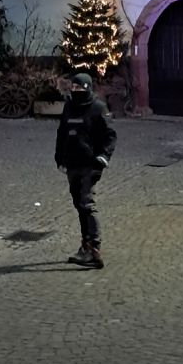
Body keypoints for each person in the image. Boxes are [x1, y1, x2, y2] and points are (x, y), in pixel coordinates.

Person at [55, 70, 117, 268]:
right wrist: (59, 157)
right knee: (79, 205)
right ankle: (86, 247)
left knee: (86, 204)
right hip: (72, 163)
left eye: (79, 88)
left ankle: (94, 249)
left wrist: (103, 157)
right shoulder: (69, 106)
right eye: (73, 87)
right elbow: (62, 132)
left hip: (90, 164)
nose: (75, 91)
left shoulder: (98, 108)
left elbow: (110, 135)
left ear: (88, 88)